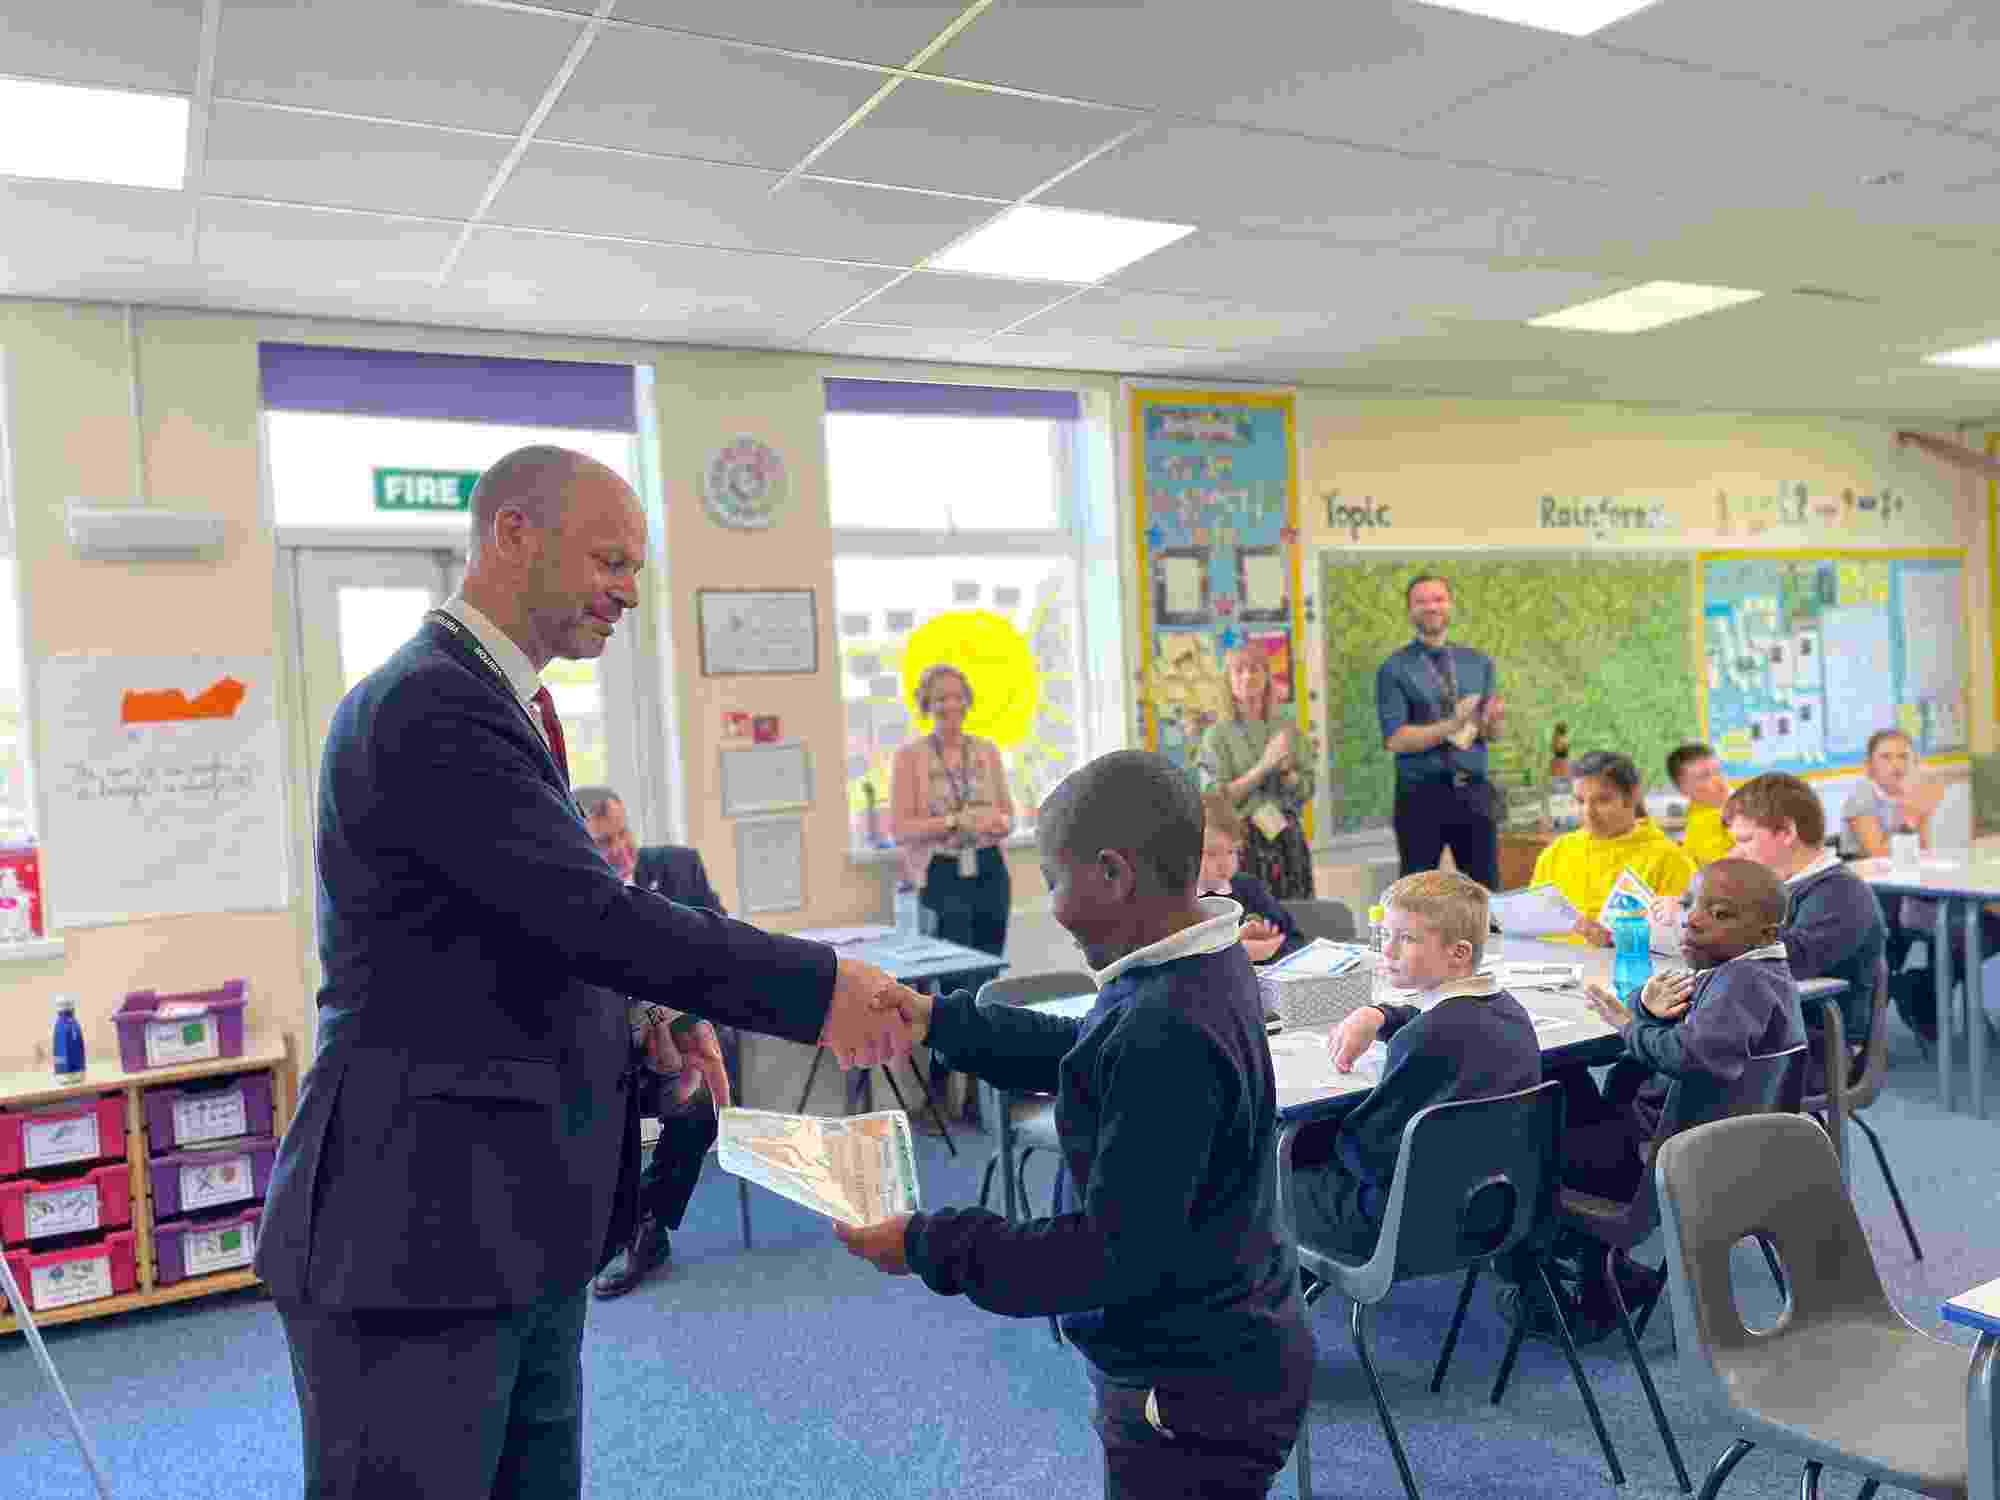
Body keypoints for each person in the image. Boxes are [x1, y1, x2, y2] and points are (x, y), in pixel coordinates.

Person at [257, 445, 918, 1500]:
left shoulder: (499, 702)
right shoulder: (429, 706)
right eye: (608, 559)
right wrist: (819, 988)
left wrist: (638, 1022)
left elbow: (518, 935)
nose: (627, 592)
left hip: (511, 1222)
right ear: (511, 534)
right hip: (416, 1232)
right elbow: (592, 914)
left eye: (636, 569)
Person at [835, 750, 1314, 1499]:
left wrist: (928, 1244)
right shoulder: (1189, 969)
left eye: (1056, 880)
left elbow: (1108, 1255)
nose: (1054, 906)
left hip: (1189, 1391)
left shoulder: (1167, 1022)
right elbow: (1093, 1054)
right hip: (1222, 1348)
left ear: (1115, 874)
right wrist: (940, 1022)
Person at [1520, 859, 1803, 1340]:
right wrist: (1645, 1014)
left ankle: (1566, 1284)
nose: (1693, 920)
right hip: (1714, 1148)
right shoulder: (1755, 974)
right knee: (1565, 1080)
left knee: (1532, 1112)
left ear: (1763, 930)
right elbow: (1694, 1043)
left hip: (1660, 1158)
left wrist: (1634, 1025)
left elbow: (1690, 1055)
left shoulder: (1739, 983)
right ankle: (1604, 1273)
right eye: (1692, 905)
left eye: (1721, 914)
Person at [1289, 871, 1540, 1262]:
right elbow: (1443, 1021)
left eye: (1406, 939)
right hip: (1494, 1207)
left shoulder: (1425, 1037)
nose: (1387, 952)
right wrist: (1380, 1015)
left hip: (1400, 1223)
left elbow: (1366, 1153)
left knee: (1272, 1172)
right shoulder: (1511, 1012)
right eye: (1385, 935)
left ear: (1458, 953)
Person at [573, 785, 737, 1299]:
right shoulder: (565, 898)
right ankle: (610, 1225)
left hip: (682, 1038)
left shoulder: (679, 869)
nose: (620, 850)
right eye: (602, 842)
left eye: (624, 834)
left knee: (694, 1103)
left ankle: (647, 1229)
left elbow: (720, 952)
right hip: (605, 1051)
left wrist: (671, 1013)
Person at [1654, 773, 1883, 1089]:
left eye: (1746, 840)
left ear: (1787, 832)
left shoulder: (1841, 892)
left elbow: (1788, 957)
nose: (1737, 852)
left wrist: (1698, 923)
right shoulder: (1775, 889)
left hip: (1812, 1047)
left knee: (1671, 1073)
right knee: (1637, 1070)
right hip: (1755, 1029)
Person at [1837, 727, 1997, 1042]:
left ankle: (1925, 989)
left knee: (1965, 924)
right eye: (1886, 757)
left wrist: (1916, 815)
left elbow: (1919, 853)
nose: (1896, 764)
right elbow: (1880, 854)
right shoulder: (1862, 798)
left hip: (1905, 892)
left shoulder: (1909, 796)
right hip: (1871, 898)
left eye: (1903, 757)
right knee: (1951, 925)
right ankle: (1920, 992)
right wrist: (1912, 815)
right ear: (1869, 765)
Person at [1376, 574, 1506, 889]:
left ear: (1449, 605)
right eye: (1421, 601)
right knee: (1417, 894)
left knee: (1486, 894)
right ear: (1410, 611)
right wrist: (1453, 724)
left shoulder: (1478, 662)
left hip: (1473, 791)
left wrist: (1492, 721)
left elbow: (1491, 734)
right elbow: (1396, 739)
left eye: (1438, 599)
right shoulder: (1394, 668)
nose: (1431, 607)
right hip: (1420, 796)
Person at [889, 662, 1014, 957]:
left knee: (990, 961)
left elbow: (1009, 815)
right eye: (941, 698)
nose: (951, 704)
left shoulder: (987, 750)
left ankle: (982, 1006)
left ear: (968, 700)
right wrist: (952, 822)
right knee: (953, 969)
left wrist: (996, 823)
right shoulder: (909, 757)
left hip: (989, 865)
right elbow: (900, 829)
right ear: (926, 704)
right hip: (940, 871)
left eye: (958, 696)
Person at [1532, 750, 1697, 946]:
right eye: (1580, 801)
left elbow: (1681, 942)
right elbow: (1534, 919)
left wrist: (1614, 941)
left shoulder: (1668, 858)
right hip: (1551, 967)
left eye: (1602, 800)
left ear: (1633, 796)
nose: (1588, 813)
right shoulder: (1557, 851)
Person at [1198, 644, 1316, 900]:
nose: (1248, 677)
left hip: (1287, 839)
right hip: (1241, 843)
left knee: (1296, 918)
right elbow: (1217, 799)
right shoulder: (1217, 736)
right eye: (1239, 671)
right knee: (1254, 917)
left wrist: (1287, 773)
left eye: (1255, 669)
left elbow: (1307, 788)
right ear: (1228, 681)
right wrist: (1264, 766)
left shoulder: (1286, 729)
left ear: (1266, 677)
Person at [1198, 793, 1304, 964]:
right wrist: (1238, 952)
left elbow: (1295, 940)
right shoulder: (1178, 902)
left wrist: (1272, 946)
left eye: (1232, 851)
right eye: (1211, 854)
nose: (1225, 864)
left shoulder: (1249, 887)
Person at [1666, 742, 1733, 866]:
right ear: (1683, 789)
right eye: (1704, 776)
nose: (1719, 781)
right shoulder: (1702, 826)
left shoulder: (1729, 809)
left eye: (1718, 771)